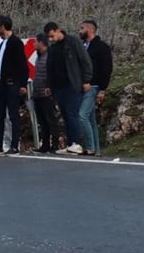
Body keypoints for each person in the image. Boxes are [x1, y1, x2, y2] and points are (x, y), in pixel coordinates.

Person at [44, 22, 92, 155]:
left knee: (72, 114)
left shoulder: (73, 42)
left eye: (52, 36)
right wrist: (49, 84)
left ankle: (76, 143)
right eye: (49, 37)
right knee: (65, 115)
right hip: (59, 86)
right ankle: (70, 143)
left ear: (58, 30)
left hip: (72, 84)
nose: (51, 39)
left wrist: (86, 80)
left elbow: (85, 61)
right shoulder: (53, 48)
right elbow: (50, 67)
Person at [0, 15, 29, 154]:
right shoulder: (2, 43)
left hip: (11, 84)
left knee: (13, 115)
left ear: (2, 26)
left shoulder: (15, 42)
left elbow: (22, 65)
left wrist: (23, 84)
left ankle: (14, 145)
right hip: (0, 83)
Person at [78, 19, 113, 156]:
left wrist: (102, 89)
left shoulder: (101, 47)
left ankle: (90, 147)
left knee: (82, 116)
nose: (80, 31)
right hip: (83, 86)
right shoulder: (83, 46)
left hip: (94, 86)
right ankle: (96, 150)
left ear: (90, 30)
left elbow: (106, 68)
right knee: (91, 119)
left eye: (82, 28)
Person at [30, 34, 61, 153]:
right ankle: (45, 144)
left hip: (47, 94)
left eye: (36, 42)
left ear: (42, 43)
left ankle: (55, 144)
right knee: (42, 121)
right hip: (37, 93)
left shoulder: (49, 56)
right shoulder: (39, 57)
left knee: (51, 120)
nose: (33, 44)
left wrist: (50, 88)